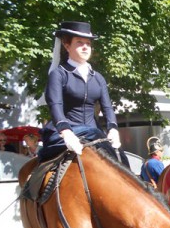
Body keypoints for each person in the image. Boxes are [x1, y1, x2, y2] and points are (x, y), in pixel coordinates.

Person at [39, 21, 123, 162]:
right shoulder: (59, 74)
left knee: (123, 160)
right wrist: (65, 131)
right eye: (79, 43)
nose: (85, 47)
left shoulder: (98, 78)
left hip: (94, 133)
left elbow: (107, 107)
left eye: (88, 44)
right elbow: (55, 104)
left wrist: (113, 128)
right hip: (64, 131)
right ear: (67, 45)